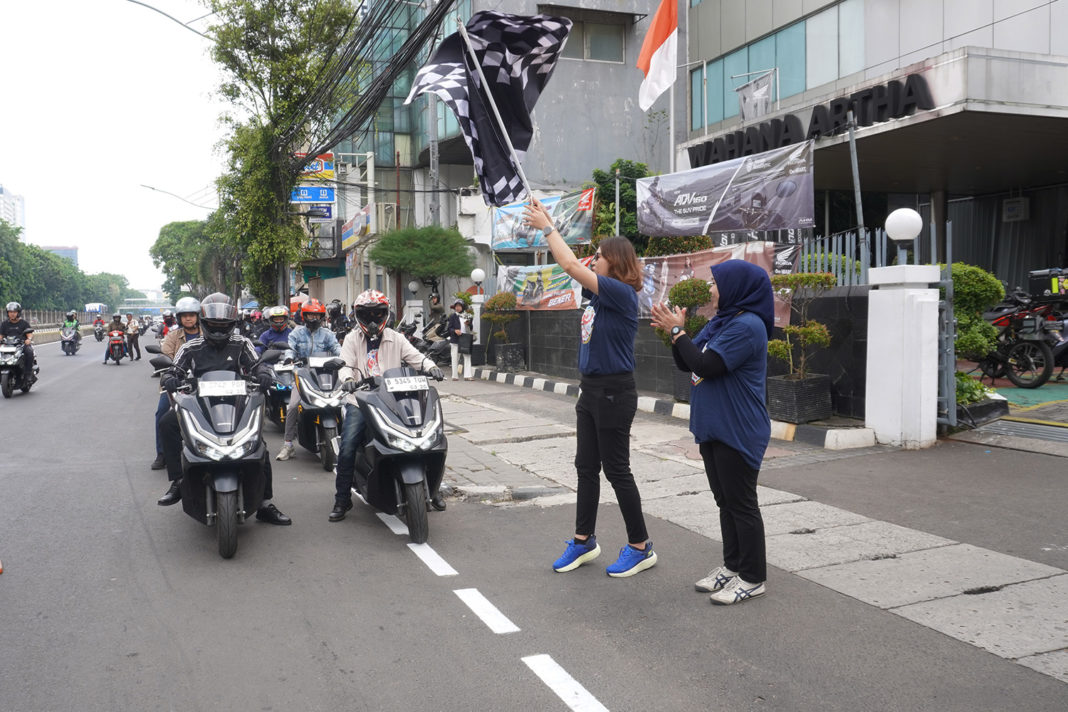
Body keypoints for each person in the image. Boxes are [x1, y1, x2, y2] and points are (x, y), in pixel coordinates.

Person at [523, 198, 657, 577]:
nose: (593, 259)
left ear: (616, 262)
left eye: (599, 255)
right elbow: (571, 265)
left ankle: (640, 546)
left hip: (615, 392)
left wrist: (547, 228)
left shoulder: (621, 293)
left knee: (617, 470)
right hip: (591, 391)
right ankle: (583, 541)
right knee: (586, 467)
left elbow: (569, 264)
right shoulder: (598, 295)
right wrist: (550, 223)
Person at [650, 260, 774, 605]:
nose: (711, 290)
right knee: (725, 502)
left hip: (738, 426)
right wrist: (677, 334)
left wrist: (679, 333)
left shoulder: (747, 326)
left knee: (741, 503)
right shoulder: (723, 322)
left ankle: (753, 577)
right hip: (714, 425)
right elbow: (687, 362)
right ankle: (733, 567)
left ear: (736, 287)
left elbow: (707, 365)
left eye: (716, 283)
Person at [156, 293, 290, 525]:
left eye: (223, 325)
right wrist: (169, 377)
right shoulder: (190, 346)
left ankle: (265, 503)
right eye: (213, 325)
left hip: (237, 403)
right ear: (204, 323)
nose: (218, 330)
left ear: (232, 324)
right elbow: (174, 369)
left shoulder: (242, 343)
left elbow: (257, 365)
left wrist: (264, 374)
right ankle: (178, 480)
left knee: (259, 446)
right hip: (199, 404)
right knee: (167, 422)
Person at [330, 290, 445, 521]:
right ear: (358, 315)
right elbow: (346, 366)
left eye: (378, 314)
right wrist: (348, 379)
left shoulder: (396, 337)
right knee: (348, 445)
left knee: (426, 438)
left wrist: (431, 367)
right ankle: (342, 499)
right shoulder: (352, 339)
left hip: (393, 398)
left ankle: (433, 490)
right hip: (360, 400)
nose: (373, 320)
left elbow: (416, 357)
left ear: (386, 314)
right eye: (367, 315)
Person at [274, 299, 342, 462]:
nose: (313, 318)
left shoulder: (328, 334)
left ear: (321, 316)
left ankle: (348, 442)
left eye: (316, 315)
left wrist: (343, 357)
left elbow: (337, 349)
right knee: (292, 406)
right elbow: (290, 349)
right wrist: (289, 358)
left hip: (325, 375)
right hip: (303, 375)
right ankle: (288, 444)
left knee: (345, 402)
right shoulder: (296, 334)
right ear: (304, 316)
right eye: (310, 315)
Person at [151, 297, 201, 470]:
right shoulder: (172, 336)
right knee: (162, 413)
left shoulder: (208, 334)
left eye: (191, 315)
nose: (188, 318)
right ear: (179, 318)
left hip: (204, 382)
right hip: (178, 383)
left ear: (198, 316)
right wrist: (172, 376)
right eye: (184, 316)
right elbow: (166, 357)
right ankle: (162, 454)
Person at [1, 302, 35, 387]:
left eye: (14, 312)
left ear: (18, 313)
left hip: (21, 345)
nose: (12, 314)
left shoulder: (24, 323)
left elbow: (29, 334)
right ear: (7, 313)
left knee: (29, 351)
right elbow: (1, 336)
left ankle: (28, 374)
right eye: (10, 312)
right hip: (7, 345)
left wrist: (29, 339)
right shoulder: (4, 324)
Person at [447, 299, 472, 381]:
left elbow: (471, 327)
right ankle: (455, 376)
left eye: (459, 306)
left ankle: (468, 376)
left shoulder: (467, 316)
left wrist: (469, 324)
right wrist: (455, 331)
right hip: (455, 339)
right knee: (455, 358)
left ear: (462, 307)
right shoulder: (452, 316)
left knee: (467, 356)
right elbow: (449, 328)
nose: (457, 308)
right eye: (456, 306)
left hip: (465, 338)